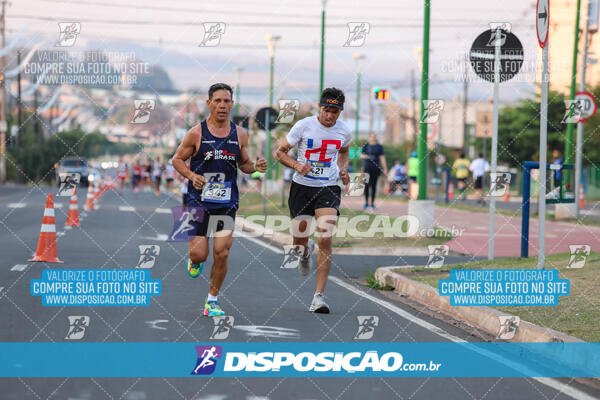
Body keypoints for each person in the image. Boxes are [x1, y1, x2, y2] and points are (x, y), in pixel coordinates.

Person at [172, 83, 267, 317]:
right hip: (197, 201)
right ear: (209, 104)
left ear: (232, 104)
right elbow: (176, 160)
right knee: (200, 254)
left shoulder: (240, 134)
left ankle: (212, 301)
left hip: (226, 203)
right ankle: (193, 261)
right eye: (217, 101)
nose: (222, 105)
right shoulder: (196, 133)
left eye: (226, 101)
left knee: (222, 252)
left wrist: (255, 167)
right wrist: (192, 175)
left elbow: (244, 164)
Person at [274, 87, 351, 314]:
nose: (330, 116)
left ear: (340, 112)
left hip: (328, 188)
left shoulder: (344, 131)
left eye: (335, 112)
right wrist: (297, 165)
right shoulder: (303, 126)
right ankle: (305, 249)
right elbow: (279, 153)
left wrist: (343, 169)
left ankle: (319, 297)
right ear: (320, 107)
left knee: (325, 238)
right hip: (301, 187)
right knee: (299, 239)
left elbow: (344, 152)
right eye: (327, 110)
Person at [360, 133, 387, 210]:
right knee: (366, 186)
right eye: (371, 136)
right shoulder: (366, 145)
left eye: (374, 136)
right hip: (367, 168)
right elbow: (361, 155)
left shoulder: (379, 146)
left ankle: (372, 204)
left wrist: (385, 168)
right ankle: (366, 203)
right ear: (369, 137)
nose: (373, 138)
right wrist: (367, 156)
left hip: (376, 168)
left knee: (374, 186)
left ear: (376, 137)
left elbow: (382, 157)